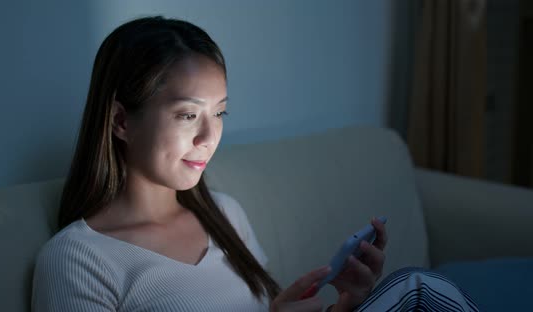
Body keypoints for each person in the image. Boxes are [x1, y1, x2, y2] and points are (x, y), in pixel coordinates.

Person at [31, 16, 478, 312]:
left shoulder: (224, 214)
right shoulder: (79, 260)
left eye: (219, 113)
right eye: (188, 115)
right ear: (121, 121)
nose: (209, 138)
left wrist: (346, 303)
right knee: (418, 288)